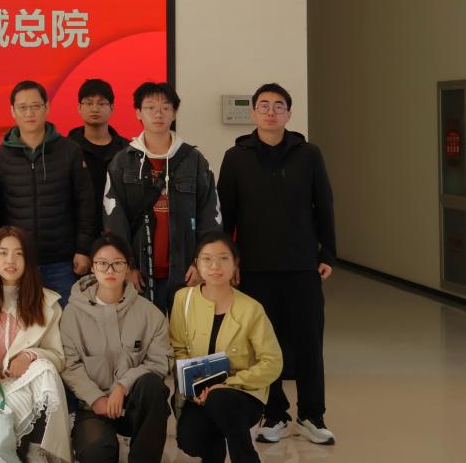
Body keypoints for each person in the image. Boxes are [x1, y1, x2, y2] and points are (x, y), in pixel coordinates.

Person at [219, 82, 338, 445]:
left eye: (278, 106)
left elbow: (324, 205)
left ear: (289, 113)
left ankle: (312, 415)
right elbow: (227, 215)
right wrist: (229, 261)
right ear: (253, 112)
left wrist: (327, 254)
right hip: (255, 268)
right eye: (264, 105)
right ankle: (274, 415)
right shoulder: (236, 157)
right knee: (263, 345)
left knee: (308, 342)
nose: (271, 112)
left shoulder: (309, 154)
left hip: (302, 266)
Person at [103, 81, 221, 313]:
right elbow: (114, 219)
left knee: (186, 332)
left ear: (174, 113)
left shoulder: (194, 160)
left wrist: (202, 263)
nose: (158, 113)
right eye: (150, 107)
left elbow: (210, 216)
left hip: (187, 271)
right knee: (144, 332)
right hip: (139, 272)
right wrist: (125, 266)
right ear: (138, 112)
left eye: (166, 108)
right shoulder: (123, 161)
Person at [0, 226, 72, 461]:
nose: (10, 260)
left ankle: (38, 451)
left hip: (25, 392)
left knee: (45, 369)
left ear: (28, 260)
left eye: (18, 253)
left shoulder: (47, 302)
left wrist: (30, 355)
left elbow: (58, 358)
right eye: (3, 253)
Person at [170, 232, 283, 463]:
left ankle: (246, 457)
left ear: (235, 264)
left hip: (243, 393)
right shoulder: (183, 299)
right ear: (196, 264)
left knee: (220, 399)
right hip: (199, 393)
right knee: (190, 437)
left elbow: (273, 362)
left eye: (223, 258)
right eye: (207, 259)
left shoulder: (251, 309)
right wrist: (194, 388)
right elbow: (178, 349)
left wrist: (228, 383)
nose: (215, 266)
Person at [61, 232, 172, 463]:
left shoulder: (149, 313)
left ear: (128, 268)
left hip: (133, 403)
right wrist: (95, 398)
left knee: (153, 387)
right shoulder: (72, 313)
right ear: (93, 267)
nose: (110, 270)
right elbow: (70, 365)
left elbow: (160, 362)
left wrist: (123, 386)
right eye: (102, 263)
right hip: (93, 407)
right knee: (96, 451)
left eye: (118, 263)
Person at [0, 79, 96, 307]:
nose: (29, 113)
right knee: (20, 324)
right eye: (23, 107)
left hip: (62, 262)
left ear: (47, 107)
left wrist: (83, 249)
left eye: (35, 106)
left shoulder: (69, 150)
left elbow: (85, 203)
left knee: (65, 322)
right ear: (13, 111)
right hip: (17, 262)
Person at [68, 78, 129, 225]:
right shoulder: (67, 148)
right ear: (79, 107)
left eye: (101, 103)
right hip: (77, 229)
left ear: (112, 107)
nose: (95, 109)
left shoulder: (127, 150)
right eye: (89, 103)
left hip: (118, 228)